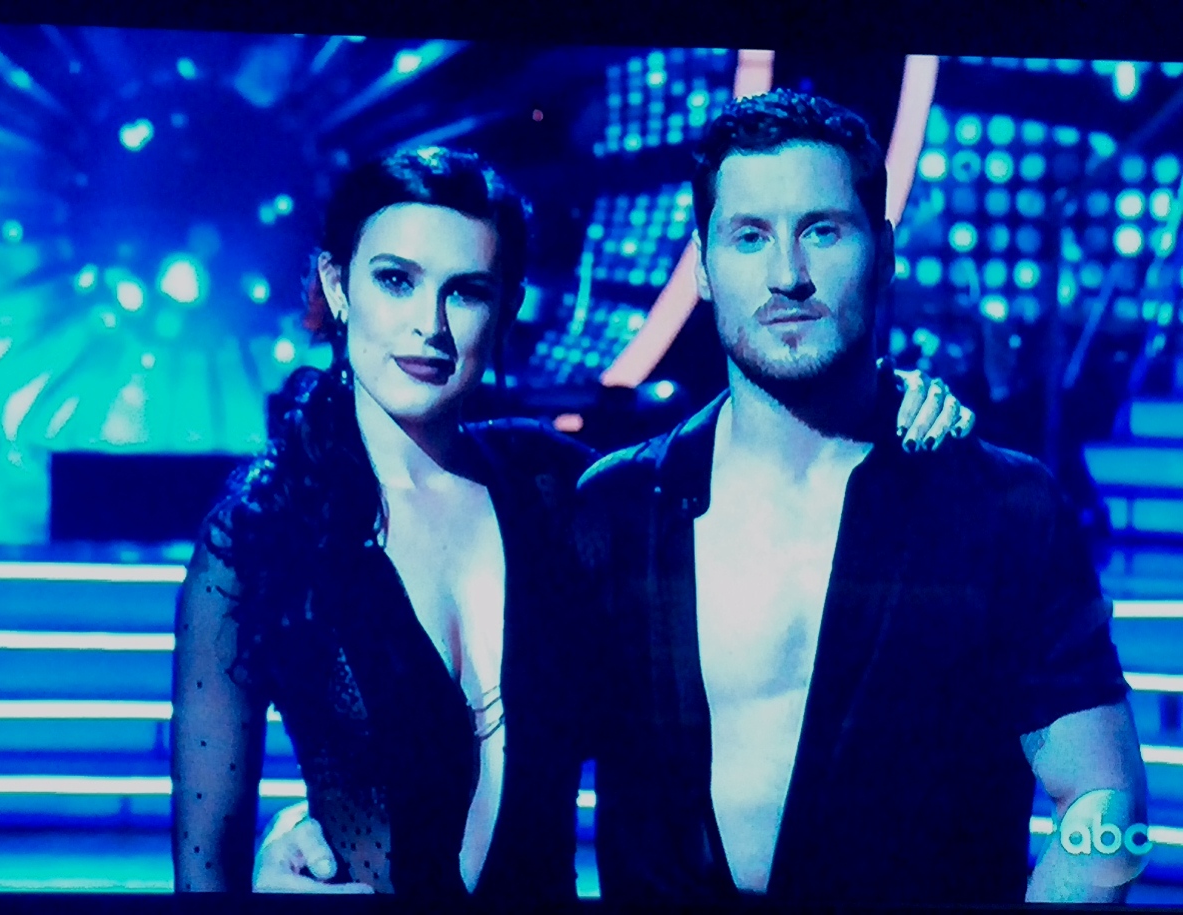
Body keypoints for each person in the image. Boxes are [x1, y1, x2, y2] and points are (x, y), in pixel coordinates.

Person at [188, 145, 972, 898]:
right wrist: (280, 851)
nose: (430, 323)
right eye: (396, 280)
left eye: (466, 291)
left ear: (506, 308)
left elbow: (749, 452)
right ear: (337, 285)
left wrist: (883, 399)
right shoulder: (258, 536)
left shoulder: (559, 489)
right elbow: (202, 871)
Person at [575, 90, 1147, 905]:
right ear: (701, 264)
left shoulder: (1002, 510)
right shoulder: (617, 507)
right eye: (749, 236)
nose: (787, 275)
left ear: (883, 251)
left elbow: (1108, 802)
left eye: (822, 230)